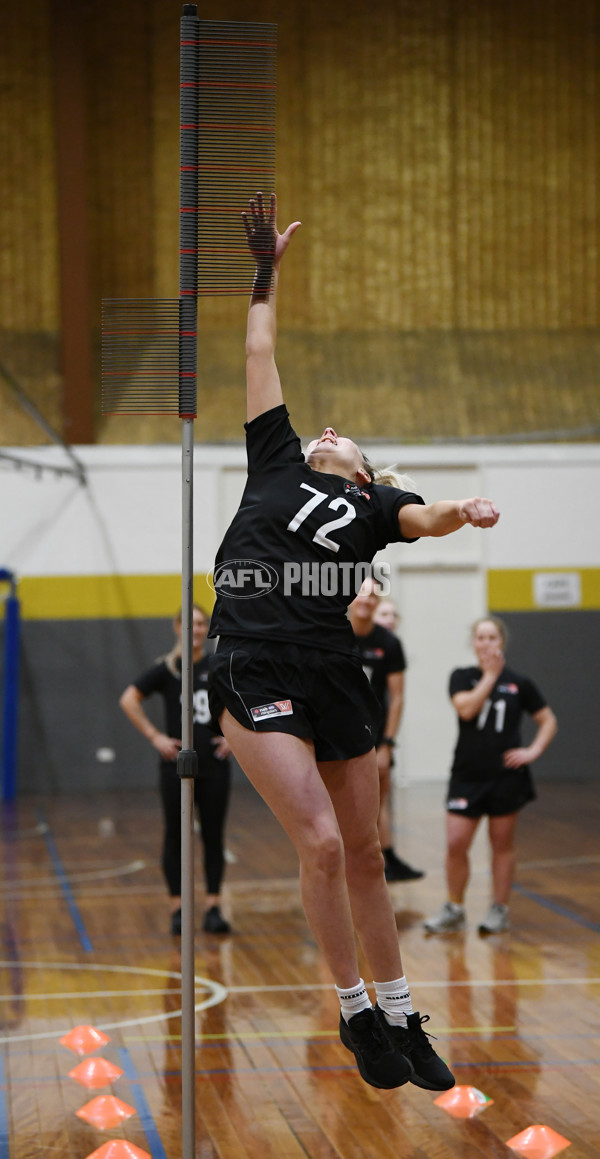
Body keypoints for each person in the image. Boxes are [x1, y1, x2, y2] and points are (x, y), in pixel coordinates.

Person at [208, 191, 500, 1091]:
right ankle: (355, 1010)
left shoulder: (374, 506)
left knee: (368, 854)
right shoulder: (276, 456)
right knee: (326, 847)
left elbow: (428, 513)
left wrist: (467, 509)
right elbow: (259, 352)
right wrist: (267, 270)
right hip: (254, 660)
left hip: (335, 670)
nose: (325, 428)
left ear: (365, 470)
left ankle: (406, 1014)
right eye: (321, 429)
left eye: (345, 438)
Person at [424, 616, 557, 936]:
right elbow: (466, 710)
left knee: (502, 844)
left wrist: (533, 751)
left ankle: (499, 910)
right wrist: (490, 677)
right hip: (467, 774)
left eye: (492, 638)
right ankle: (454, 907)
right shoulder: (462, 676)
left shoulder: (519, 683)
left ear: (502, 642)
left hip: (505, 776)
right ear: (473, 643)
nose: (486, 644)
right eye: (480, 638)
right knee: (456, 843)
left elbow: (548, 719)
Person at [120, 604, 232, 936]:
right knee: (175, 837)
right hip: (176, 768)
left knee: (213, 837)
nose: (196, 629)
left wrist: (235, 741)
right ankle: (177, 908)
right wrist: (155, 736)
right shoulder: (168, 669)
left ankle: (213, 906)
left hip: (214, 765)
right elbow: (129, 699)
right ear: (177, 627)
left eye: (201, 624)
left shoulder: (217, 666)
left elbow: (244, 702)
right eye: (191, 624)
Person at [348, 578, 424, 881]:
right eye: (361, 594)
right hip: (337, 731)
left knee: (378, 798)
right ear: (351, 599)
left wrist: (388, 745)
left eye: (373, 595)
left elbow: (398, 697)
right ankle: (347, 859)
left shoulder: (389, 643)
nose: (366, 600)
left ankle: (384, 857)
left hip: (374, 735)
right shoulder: (335, 636)